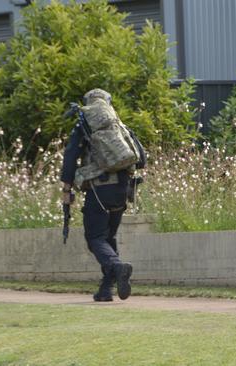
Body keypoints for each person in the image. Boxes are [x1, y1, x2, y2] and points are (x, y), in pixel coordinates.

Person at [60, 88, 139, 302]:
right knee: (108, 237)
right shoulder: (119, 125)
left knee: (95, 237)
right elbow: (141, 158)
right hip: (123, 187)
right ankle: (106, 289)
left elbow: (70, 157)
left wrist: (66, 188)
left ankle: (116, 266)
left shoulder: (84, 126)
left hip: (99, 188)